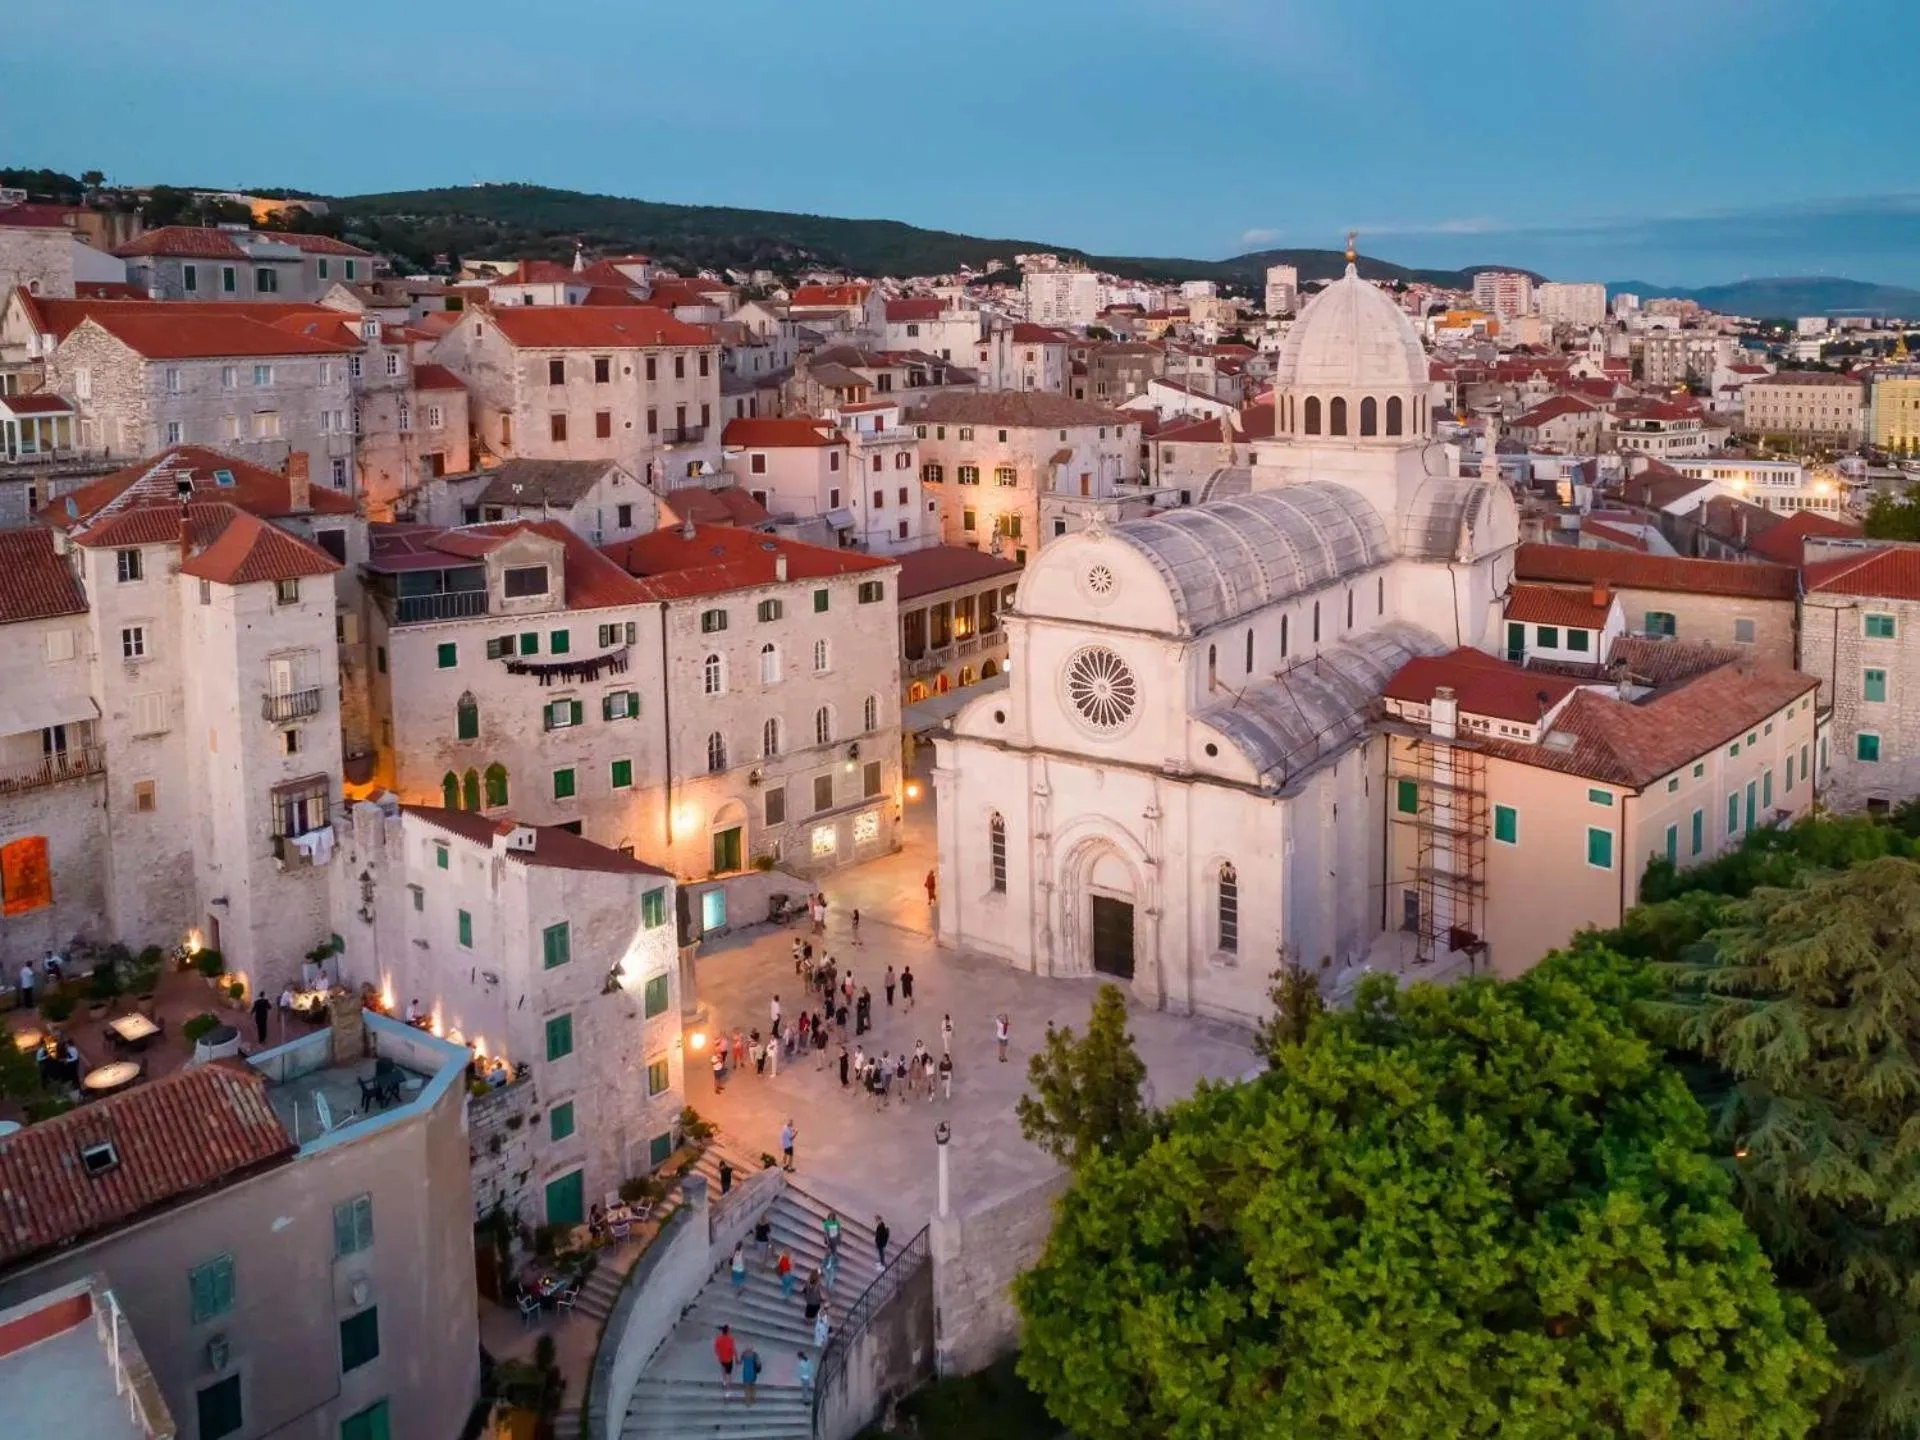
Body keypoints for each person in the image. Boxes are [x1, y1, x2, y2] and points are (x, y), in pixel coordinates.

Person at [714, 1325, 737, 1401]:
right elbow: (733, 1350)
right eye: (729, 1330)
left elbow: (716, 1348)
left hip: (722, 1359)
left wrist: (719, 1355)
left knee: (723, 1369)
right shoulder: (731, 1339)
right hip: (729, 1359)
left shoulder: (718, 1339)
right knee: (729, 1375)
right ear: (727, 1331)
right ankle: (727, 1391)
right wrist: (736, 1358)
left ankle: (724, 1381)